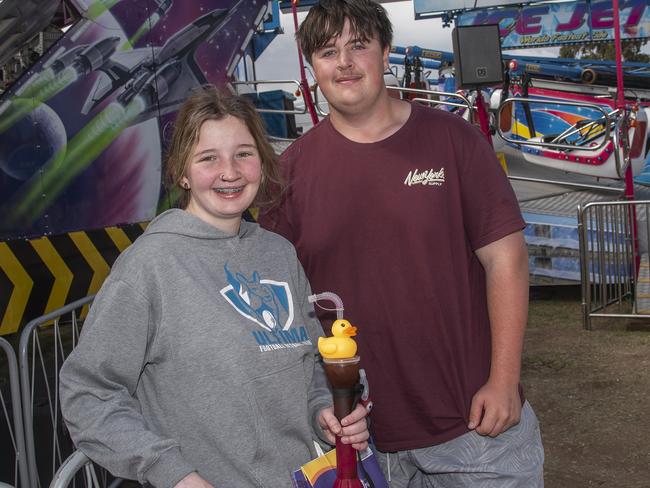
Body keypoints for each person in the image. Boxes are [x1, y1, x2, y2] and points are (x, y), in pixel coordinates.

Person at [258, 1, 544, 486]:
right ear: (312, 66)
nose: (344, 63)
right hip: (360, 441)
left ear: (385, 52)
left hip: (473, 428)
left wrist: (502, 381)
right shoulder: (289, 176)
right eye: (328, 52)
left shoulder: (454, 142)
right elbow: (280, 307)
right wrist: (316, 406)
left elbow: (507, 260)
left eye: (358, 46)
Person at [59, 86, 369, 488]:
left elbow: (312, 363)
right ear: (182, 173)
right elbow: (87, 393)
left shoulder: (278, 254)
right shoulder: (151, 265)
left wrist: (323, 411)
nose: (230, 172)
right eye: (209, 158)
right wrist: (174, 474)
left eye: (244, 153)